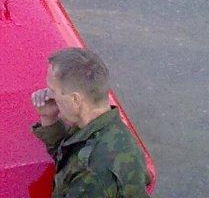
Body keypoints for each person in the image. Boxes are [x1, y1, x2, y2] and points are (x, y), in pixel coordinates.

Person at [31, 47, 149, 198]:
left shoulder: (94, 171)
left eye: (53, 91)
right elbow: (69, 159)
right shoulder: (108, 128)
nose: (48, 96)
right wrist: (49, 117)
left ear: (75, 99)